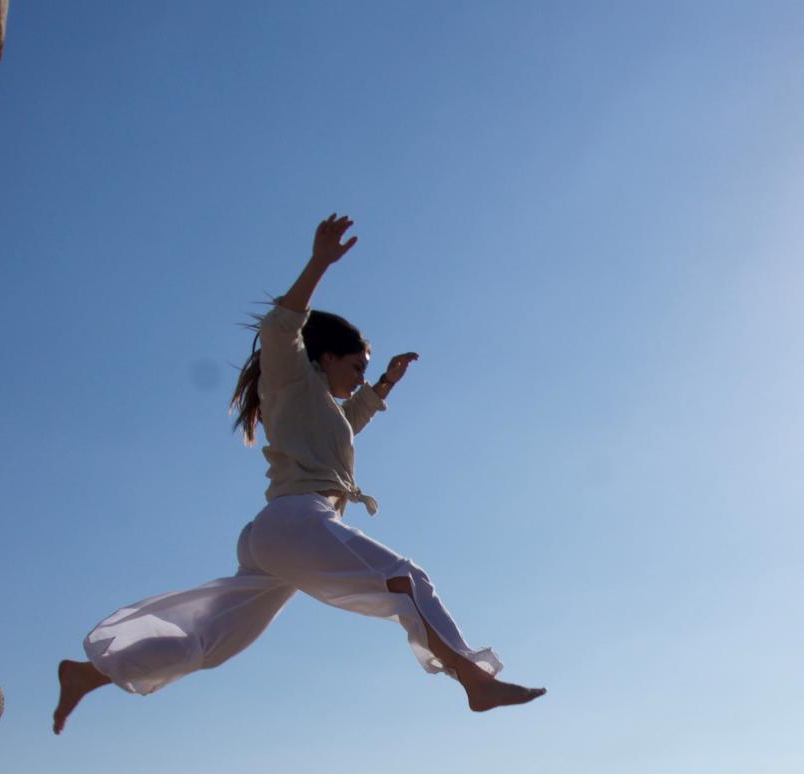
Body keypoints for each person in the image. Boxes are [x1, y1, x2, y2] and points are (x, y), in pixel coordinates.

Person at [51, 213, 545, 733]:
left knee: (209, 644)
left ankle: (86, 675)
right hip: (295, 522)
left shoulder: (319, 407)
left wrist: (385, 384)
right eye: (356, 366)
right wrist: (318, 263)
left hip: (279, 536)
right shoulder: (290, 374)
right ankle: (474, 679)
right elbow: (279, 327)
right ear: (326, 356)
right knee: (406, 580)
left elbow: (346, 427)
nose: (358, 378)